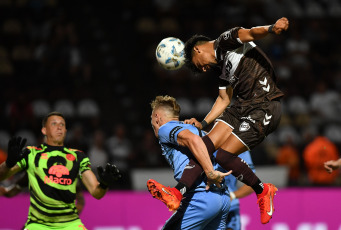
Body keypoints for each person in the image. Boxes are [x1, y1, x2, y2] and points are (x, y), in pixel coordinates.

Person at [150, 17, 289, 224]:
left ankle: (263, 190)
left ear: (197, 50)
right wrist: (203, 124)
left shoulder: (225, 41)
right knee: (204, 148)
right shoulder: (224, 70)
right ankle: (177, 193)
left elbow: (249, 33)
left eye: (199, 67)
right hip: (242, 106)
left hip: (265, 105)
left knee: (223, 156)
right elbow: (224, 99)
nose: (203, 70)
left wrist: (270, 28)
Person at [0, 111, 121, 230]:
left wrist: (104, 184)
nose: (59, 127)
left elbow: (96, 192)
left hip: (70, 224)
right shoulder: (31, 153)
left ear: (66, 131)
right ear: (44, 130)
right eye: (54, 124)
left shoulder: (78, 157)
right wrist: (9, 163)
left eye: (62, 124)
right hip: (38, 225)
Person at [147, 95, 232, 229]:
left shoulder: (166, 128)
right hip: (222, 198)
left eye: (151, 118)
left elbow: (193, 140)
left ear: (157, 117)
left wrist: (210, 172)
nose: (152, 123)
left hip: (201, 197)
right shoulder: (198, 129)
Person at [223, 151, 254, 230]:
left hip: (229, 209)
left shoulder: (241, 149)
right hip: (202, 207)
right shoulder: (198, 141)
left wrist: (233, 195)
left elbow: (252, 183)